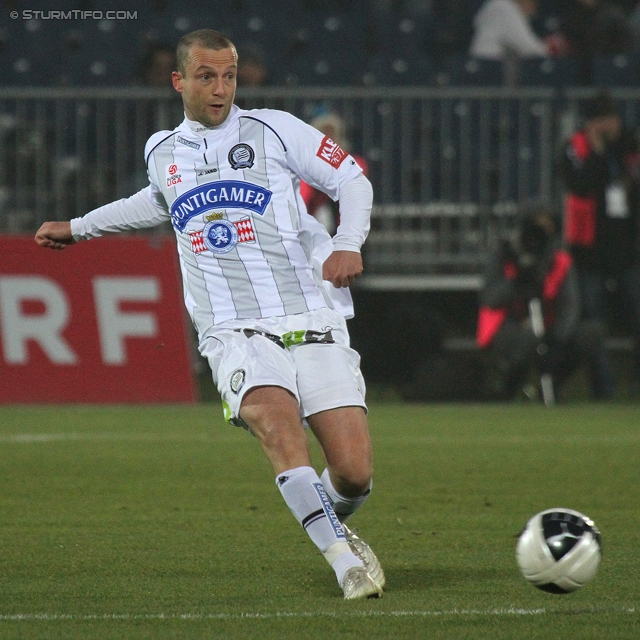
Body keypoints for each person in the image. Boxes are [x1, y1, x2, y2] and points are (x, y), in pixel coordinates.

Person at [34, 29, 384, 600]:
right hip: (233, 326)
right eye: (206, 76)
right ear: (179, 81)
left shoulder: (276, 129)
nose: (220, 88)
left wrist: (348, 240)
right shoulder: (162, 150)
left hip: (308, 311)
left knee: (353, 473)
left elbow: (351, 178)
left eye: (228, 76)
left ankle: (334, 521)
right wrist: (79, 228)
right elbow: (154, 201)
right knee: (276, 423)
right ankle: (345, 563)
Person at [477, 208, 614, 401]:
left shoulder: (559, 260)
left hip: (549, 325)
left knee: (591, 333)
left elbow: (570, 306)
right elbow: (489, 299)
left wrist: (558, 339)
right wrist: (516, 282)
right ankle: (507, 389)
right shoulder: (504, 255)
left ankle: (552, 383)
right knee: (527, 341)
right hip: (509, 324)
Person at [559, 90, 640, 397]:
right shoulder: (575, 149)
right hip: (589, 251)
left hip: (628, 249)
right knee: (593, 321)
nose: (607, 126)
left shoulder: (631, 146)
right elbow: (579, 185)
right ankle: (603, 387)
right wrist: (595, 152)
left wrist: (620, 148)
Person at [300, 111, 369, 235]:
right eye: (323, 133)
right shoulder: (303, 163)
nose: (328, 138)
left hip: (342, 217)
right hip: (311, 214)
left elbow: (358, 190)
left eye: (331, 133)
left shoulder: (353, 162)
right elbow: (303, 196)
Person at [469, 0, 550, 61]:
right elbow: (529, 48)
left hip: (483, 64)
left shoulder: (496, 6)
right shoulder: (504, 8)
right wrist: (547, 48)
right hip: (487, 66)